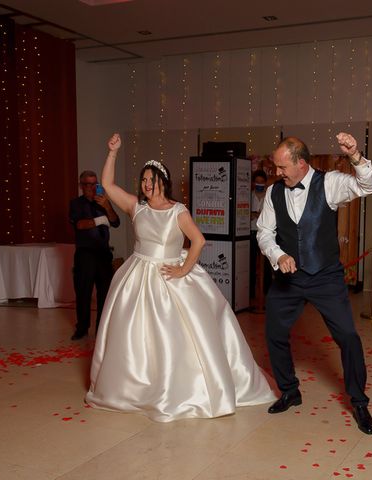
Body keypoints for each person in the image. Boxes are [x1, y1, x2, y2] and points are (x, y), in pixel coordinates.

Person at [85, 133, 276, 422]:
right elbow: (108, 185)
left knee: (176, 336)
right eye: (144, 180)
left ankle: (179, 389)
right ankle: (135, 388)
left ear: (163, 180)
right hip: (138, 276)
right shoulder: (136, 207)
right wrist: (112, 152)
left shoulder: (177, 211)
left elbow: (197, 241)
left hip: (168, 275)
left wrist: (183, 269)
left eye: (152, 179)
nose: (146, 185)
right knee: (136, 336)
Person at [256, 133, 372, 435]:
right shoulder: (273, 193)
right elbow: (264, 233)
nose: (277, 172)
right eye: (276, 167)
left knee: (348, 336)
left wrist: (356, 157)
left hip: (325, 276)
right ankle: (289, 391)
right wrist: (279, 254)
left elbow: (369, 185)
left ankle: (359, 401)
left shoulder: (331, 183)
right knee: (274, 332)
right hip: (289, 277)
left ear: (300, 163)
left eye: (282, 167)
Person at [69, 170, 120, 340]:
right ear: (81, 186)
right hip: (85, 255)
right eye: (88, 184)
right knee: (83, 293)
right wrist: (99, 221)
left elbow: (116, 222)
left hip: (104, 255)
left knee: (104, 294)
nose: (91, 187)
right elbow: (80, 225)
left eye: (94, 184)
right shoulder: (76, 204)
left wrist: (106, 206)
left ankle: (101, 330)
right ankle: (82, 328)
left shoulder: (103, 202)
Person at [250, 170, 272, 299]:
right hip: (251, 233)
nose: (259, 184)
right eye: (257, 182)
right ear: (253, 183)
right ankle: (250, 294)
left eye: (262, 182)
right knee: (251, 264)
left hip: (265, 234)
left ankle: (267, 292)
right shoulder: (247, 196)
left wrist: (259, 215)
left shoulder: (269, 196)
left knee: (267, 266)